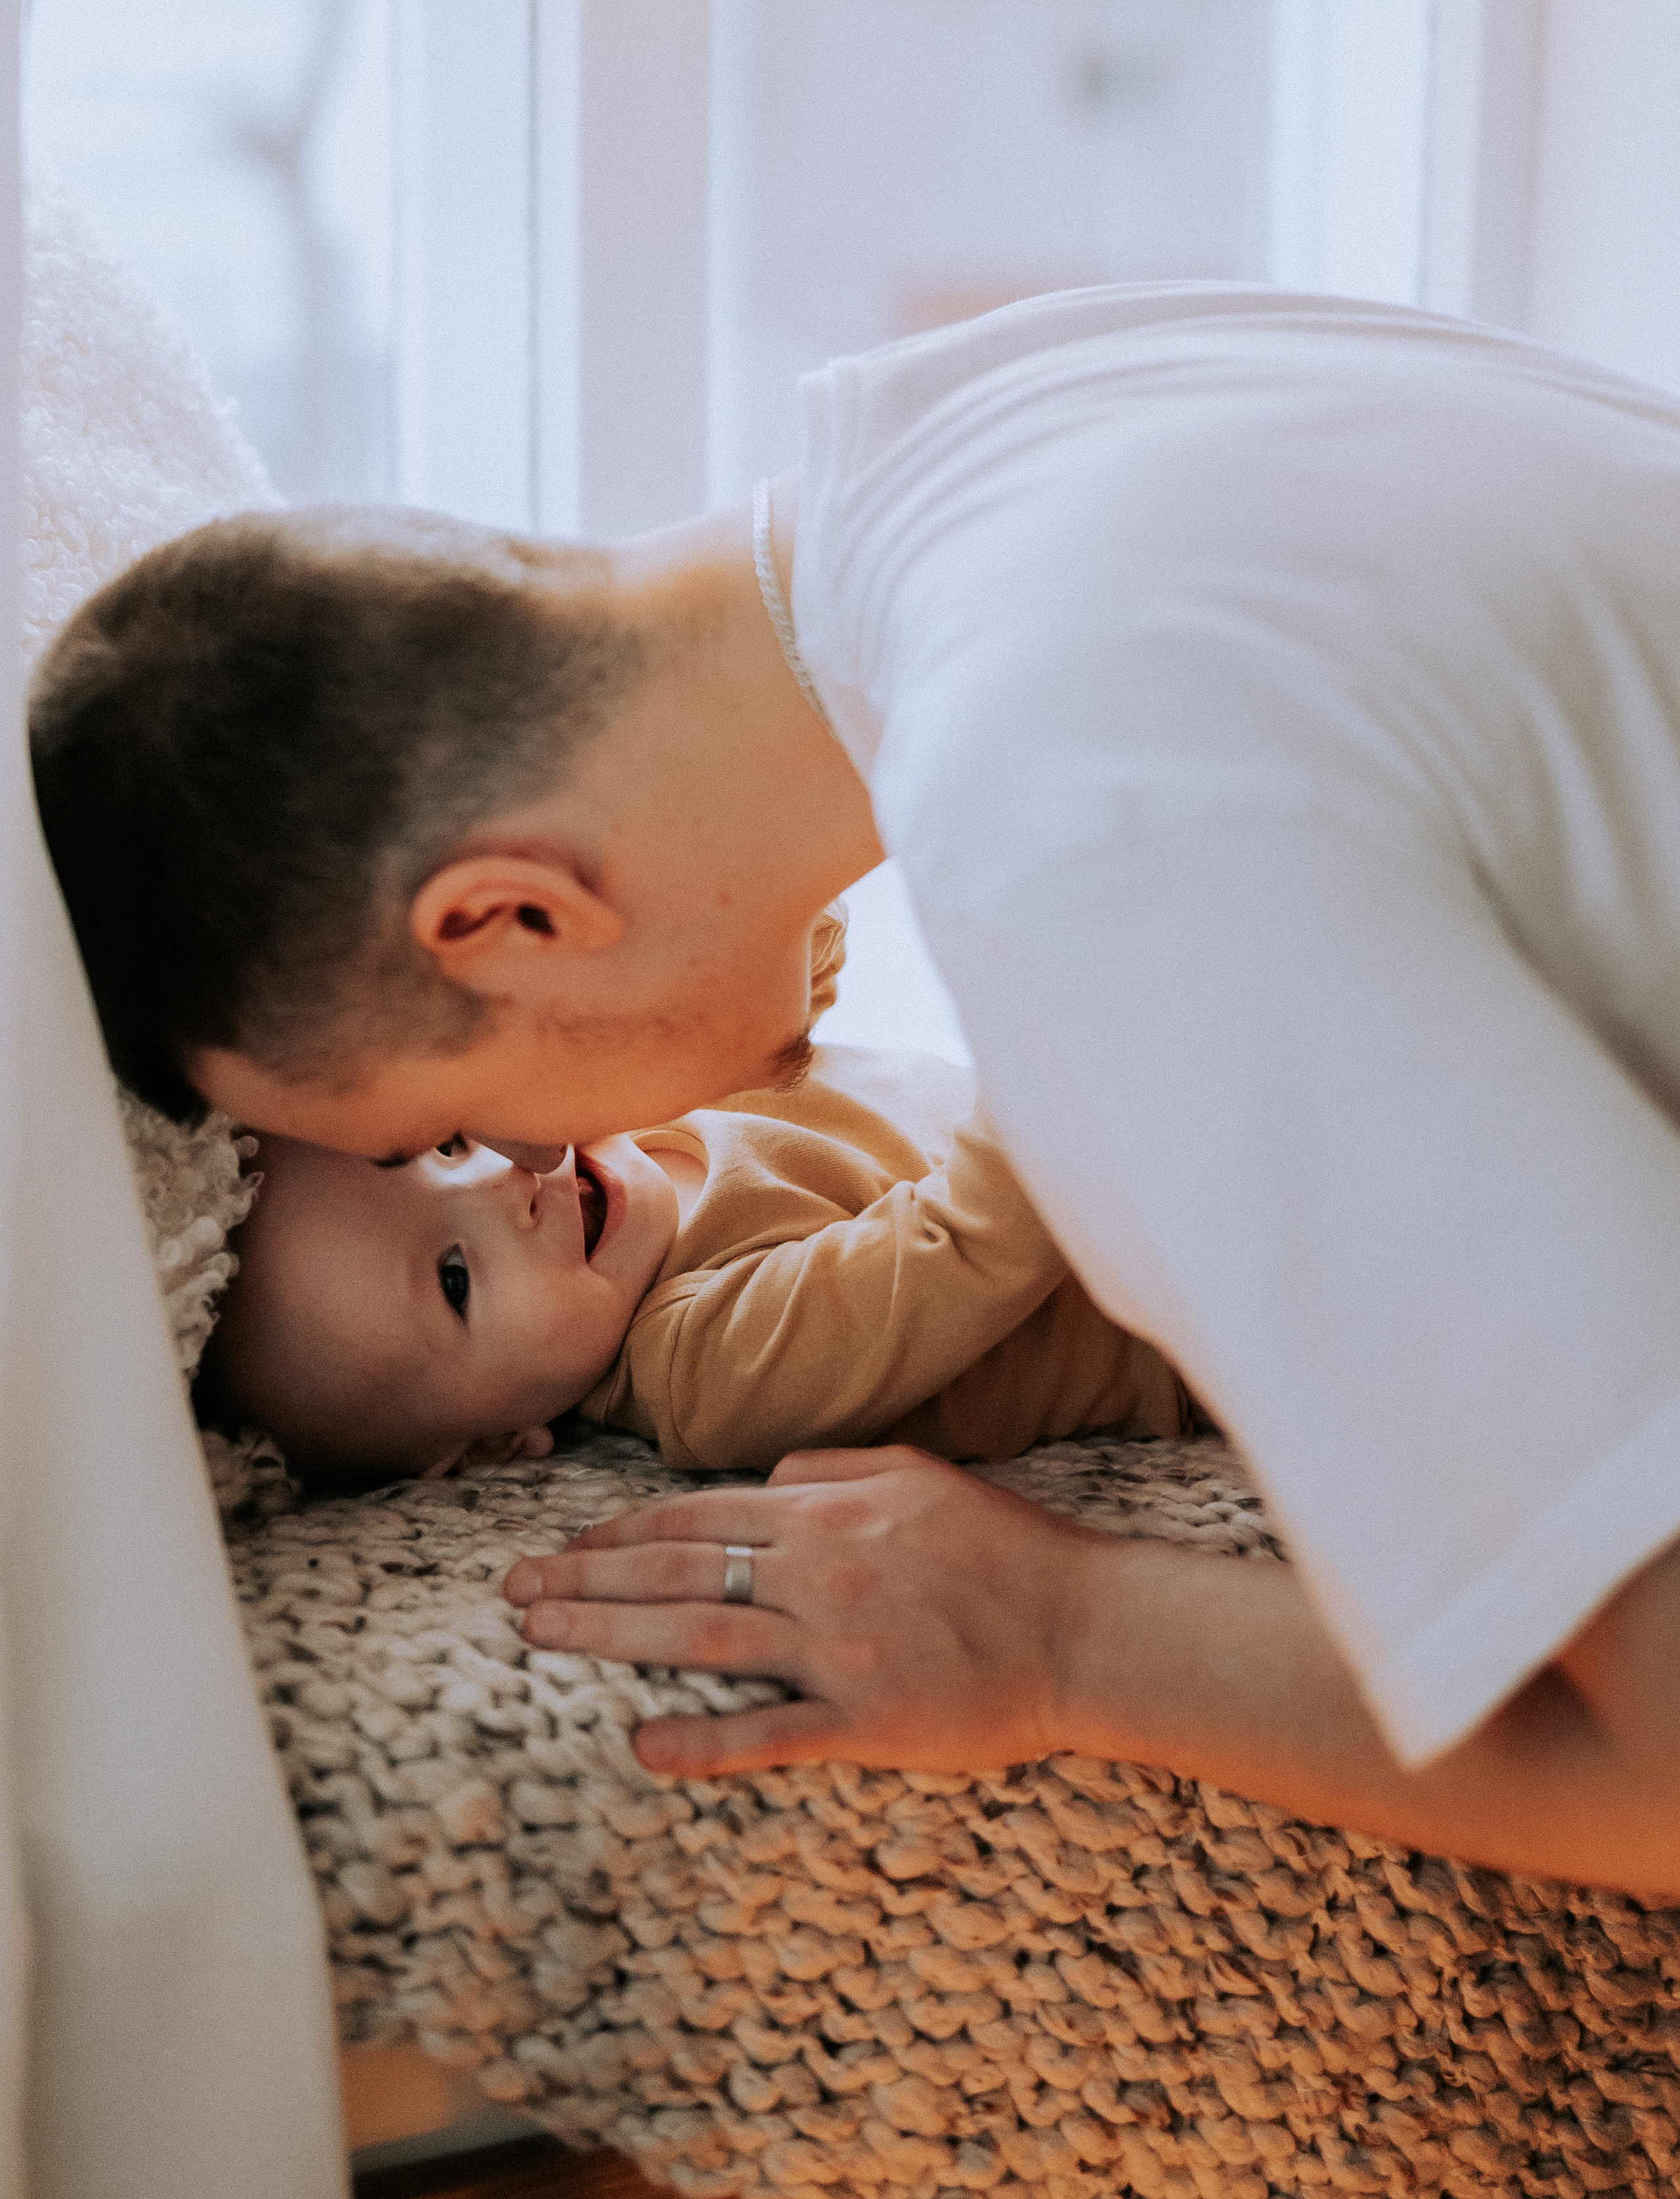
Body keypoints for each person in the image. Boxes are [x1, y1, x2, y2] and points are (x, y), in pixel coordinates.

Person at [30, 283, 1680, 1895]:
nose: (509, 1163)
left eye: (433, 1130)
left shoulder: (1088, 831)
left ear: (508, 919)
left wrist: (1066, 1634)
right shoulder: (994, 406)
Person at [199, 979, 1189, 1485]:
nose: (506, 1183)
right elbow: (972, 1244)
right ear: (501, 1444)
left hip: (1160, 1149)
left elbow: (789, 970)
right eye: (457, 1279)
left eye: (444, 1143)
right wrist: (1071, 1008)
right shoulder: (706, 1367)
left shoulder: (633, 1112)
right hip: (1199, 1314)